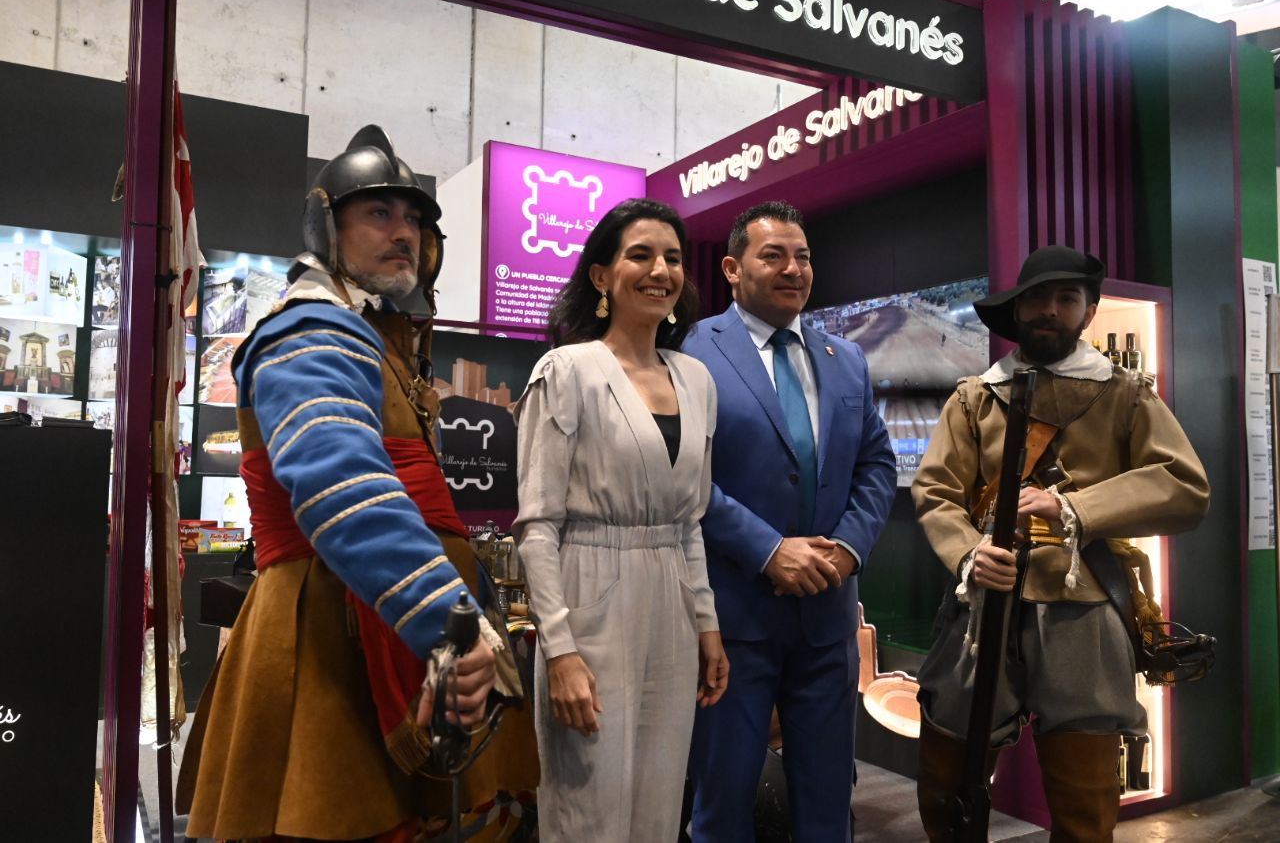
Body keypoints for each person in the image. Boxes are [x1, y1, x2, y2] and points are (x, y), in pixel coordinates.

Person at [177, 126, 535, 841]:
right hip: (334, 639)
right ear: (327, 228)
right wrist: (448, 620)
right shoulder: (314, 329)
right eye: (378, 214)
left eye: (412, 219)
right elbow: (343, 486)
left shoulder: (370, 336)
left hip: (381, 619)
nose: (402, 232)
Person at [911, 245, 1210, 841]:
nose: (1050, 309)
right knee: (948, 776)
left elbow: (1184, 485)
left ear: (1089, 311)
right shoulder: (975, 398)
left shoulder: (1125, 395)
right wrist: (970, 554)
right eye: (1038, 298)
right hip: (984, 605)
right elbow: (937, 490)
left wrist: (1075, 507)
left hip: (1084, 607)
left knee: (1085, 791)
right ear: (1018, 308)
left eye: (1067, 298)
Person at [513, 198, 729, 841]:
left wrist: (706, 622)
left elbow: (689, 520)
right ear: (601, 276)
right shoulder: (568, 370)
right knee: (590, 800)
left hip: (671, 598)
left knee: (660, 800)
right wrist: (560, 650)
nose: (660, 270)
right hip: (590, 593)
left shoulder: (696, 379)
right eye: (640, 254)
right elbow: (538, 524)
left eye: (671, 257)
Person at [683, 200, 896, 841]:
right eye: (773, 255)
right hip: (733, 619)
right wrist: (769, 550)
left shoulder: (845, 358)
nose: (793, 269)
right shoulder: (690, 354)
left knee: (830, 800)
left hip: (829, 616)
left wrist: (849, 549)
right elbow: (685, 479)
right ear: (732, 267)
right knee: (724, 798)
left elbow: (877, 466)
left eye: (802, 256)